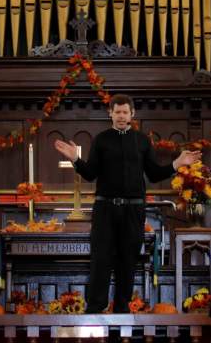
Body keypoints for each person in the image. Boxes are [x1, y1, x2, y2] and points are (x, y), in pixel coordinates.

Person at [53, 94, 201, 313]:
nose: (121, 116)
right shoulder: (101, 140)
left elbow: (154, 173)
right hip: (105, 209)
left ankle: (122, 309)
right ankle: (95, 308)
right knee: (101, 258)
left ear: (132, 114)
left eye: (125, 112)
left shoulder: (142, 141)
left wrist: (177, 163)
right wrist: (76, 159)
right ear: (110, 114)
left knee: (127, 261)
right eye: (117, 112)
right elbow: (91, 174)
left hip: (133, 209)